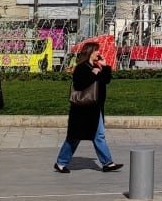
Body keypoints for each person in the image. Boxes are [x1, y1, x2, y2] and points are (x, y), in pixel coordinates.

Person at [53, 42, 123, 174]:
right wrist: (93, 74)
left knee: (99, 136)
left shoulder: (95, 67)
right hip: (82, 110)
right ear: (90, 52)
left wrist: (104, 66)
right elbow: (80, 84)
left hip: (95, 109)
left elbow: (106, 80)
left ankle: (107, 163)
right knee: (74, 137)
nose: (99, 53)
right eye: (97, 50)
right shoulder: (81, 67)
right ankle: (61, 162)